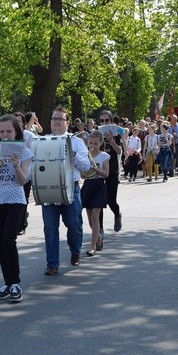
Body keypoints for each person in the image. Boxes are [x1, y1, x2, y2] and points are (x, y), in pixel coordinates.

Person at [0, 115, 32, 303]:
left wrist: (16, 164)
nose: (5, 135)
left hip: (15, 200)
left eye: (9, 131)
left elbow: (22, 181)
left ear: (16, 131)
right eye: (1, 132)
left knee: (9, 240)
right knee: (0, 243)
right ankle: (8, 282)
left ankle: (16, 283)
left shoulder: (25, 152)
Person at [42, 106, 91, 276]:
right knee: (50, 227)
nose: (56, 122)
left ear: (67, 123)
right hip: (49, 188)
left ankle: (75, 250)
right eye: (54, 118)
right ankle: (52, 264)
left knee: (74, 224)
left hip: (72, 188)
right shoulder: (43, 141)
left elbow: (86, 166)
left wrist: (73, 152)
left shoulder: (76, 141)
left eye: (60, 119)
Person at [81, 130, 109, 256]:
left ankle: (92, 246)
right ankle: (97, 238)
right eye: (91, 143)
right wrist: (84, 168)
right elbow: (82, 175)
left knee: (95, 217)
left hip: (99, 186)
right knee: (90, 218)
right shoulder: (85, 155)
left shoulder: (104, 156)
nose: (93, 145)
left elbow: (106, 174)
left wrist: (94, 168)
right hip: (88, 185)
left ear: (101, 143)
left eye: (96, 143)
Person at [98, 110, 123, 236]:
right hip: (99, 170)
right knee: (99, 201)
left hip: (112, 170)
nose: (104, 123)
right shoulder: (97, 133)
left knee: (110, 200)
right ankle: (99, 229)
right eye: (102, 121)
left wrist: (111, 140)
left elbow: (119, 151)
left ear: (111, 121)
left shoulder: (116, 132)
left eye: (106, 120)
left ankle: (117, 214)